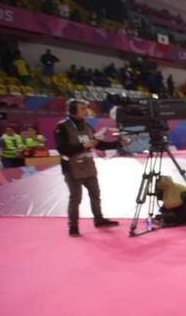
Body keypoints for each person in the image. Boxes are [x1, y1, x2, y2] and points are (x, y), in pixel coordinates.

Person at [54, 99, 131, 237]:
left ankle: (99, 219)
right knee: (75, 198)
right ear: (73, 111)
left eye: (86, 108)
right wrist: (83, 146)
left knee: (95, 195)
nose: (86, 111)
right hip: (72, 168)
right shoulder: (62, 127)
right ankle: (73, 226)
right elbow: (62, 149)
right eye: (82, 109)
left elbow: (99, 145)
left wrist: (120, 144)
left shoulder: (88, 127)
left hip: (88, 166)